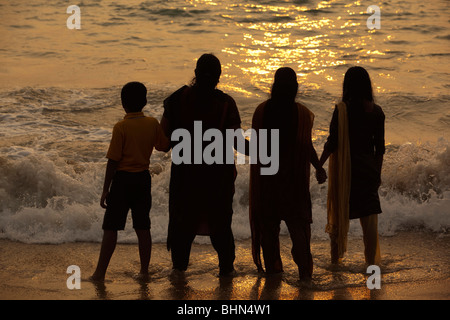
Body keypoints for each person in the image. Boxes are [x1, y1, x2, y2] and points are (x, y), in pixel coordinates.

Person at [161, 53, 243, 276]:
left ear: (195, 74)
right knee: (221, 227)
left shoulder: (176, 100)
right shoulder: (226, 104)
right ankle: (226, 273)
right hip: (218, 178)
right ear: (219, 77)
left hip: (185, 176)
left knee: (182, 227)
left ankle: (178, 274)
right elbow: (238, 143)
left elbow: (163, 142)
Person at [249, 67, 327, 281]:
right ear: (295, 88)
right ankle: (305, 275)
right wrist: (318, 167)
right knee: (298, 230)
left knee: (269, 232)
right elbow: (306, 145)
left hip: (268, 181)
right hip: (294, 183)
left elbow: (256, 147)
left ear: (274, 86)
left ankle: (274, 274)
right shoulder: (302, 114)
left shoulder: (262, 111)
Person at [90, 82, 170, 282]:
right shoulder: (152, 123)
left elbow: (113, 160)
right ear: (144, 101)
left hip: (122, 181)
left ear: (122, 103)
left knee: (111, 227)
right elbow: (163, 147)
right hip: (143, 179)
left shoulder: (121, 127)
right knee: (143, 227)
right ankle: (144, 272)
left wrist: (105, 189)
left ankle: (100, 273)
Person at [319, 66, 385, 266]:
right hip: (368, 170)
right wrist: (377, 174)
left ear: (347, 86)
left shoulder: (342, 110)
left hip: (346, 172)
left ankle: (335, 263)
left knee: (339, 217)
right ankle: (371, 265)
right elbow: (379, 149)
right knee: (370, 223)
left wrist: (318, 165)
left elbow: (332, 142)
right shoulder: (376, 111)